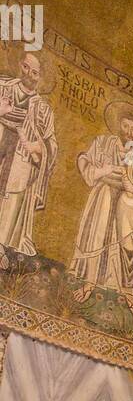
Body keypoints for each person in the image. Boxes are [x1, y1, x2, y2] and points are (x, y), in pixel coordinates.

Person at [70, 109, 133, 322]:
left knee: (127, 248)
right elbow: (83, 160)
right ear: (119, 125)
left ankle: (129, 296)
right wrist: (103, 170)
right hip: (102, 197)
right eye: (127, 126)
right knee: (97, 237)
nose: (130, 132)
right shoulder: (102, 143)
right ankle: (89, 284)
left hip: (128, 208)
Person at [0, 52, 57, 265]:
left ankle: (1, 246)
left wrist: (38, 147)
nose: (29, 75)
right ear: (19, 64)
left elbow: (51, 143)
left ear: (41, 77)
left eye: (35, 72)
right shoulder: (2, 88)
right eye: (26, 67)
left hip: (21, 159)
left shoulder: (42, 108)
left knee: (13, 196)